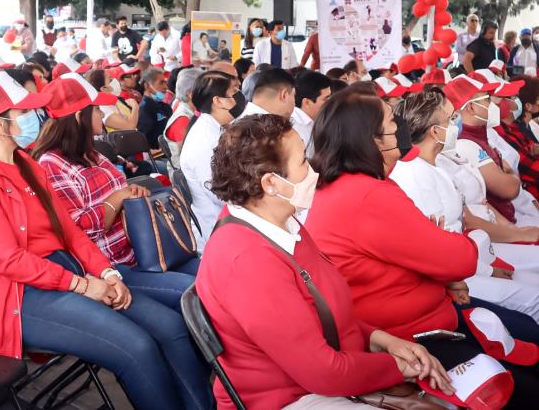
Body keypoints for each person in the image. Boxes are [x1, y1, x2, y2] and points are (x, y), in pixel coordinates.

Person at [0, 71, 211, 410]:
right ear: (0, 125)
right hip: (17, 294)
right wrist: (82, 285)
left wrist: (107, 274)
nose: (35, 118)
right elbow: (7, 260)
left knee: (171, 326)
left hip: (62, 275)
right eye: (24, 113)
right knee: (136, 347)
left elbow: (69, 232)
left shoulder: (25, 163)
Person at [198, 113, 452, 409]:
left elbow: (323, 312)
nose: (312, 168)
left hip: (323, 376)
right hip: (287, 399)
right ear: (270, 183)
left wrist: (383, 340)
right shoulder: (248, 261)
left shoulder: (281, 221)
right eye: (302, 162)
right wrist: (398, 368)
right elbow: (324, 373)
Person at [306, 89, 539, 407]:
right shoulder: (367, 195)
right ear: (372, 140)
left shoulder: (345, 185)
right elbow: (457, 258)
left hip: (427, 315)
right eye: (391, 123)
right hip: (416, 336)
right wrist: (451, 255)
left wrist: (445, 261)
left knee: (525, 332)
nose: (400, 129)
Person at [34, 75, 200, 311]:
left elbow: (120, 190)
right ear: (81, 116)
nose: (102, 115)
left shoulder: (92, 153)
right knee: (194, 291)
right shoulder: (52, 164)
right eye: (97, 110)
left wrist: (131, 192)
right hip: (113, 266)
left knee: (211, 274)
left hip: (143, 249)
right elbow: (79, 230)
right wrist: (119, 197)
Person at [392, 88, 539, 323]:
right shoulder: (415, 175)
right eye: (451, 120)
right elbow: (438, 244)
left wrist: (486, 268)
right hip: (453, 277)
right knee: (534, 299)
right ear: (435, 132)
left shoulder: (437, 162)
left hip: (470, 260)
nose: (456, 124)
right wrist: (483, 272)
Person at [180, 71, 244, 248]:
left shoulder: (218, 129)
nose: (237, 98)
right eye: (232, 93)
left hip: (232, 215)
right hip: (219, 228)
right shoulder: (204, 141)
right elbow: (221, 193)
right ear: (218, 101)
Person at [449, 75, 521, 224]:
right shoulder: (465, 143)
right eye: (487, 99)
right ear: (471, 107)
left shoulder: (481, 136)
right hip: (496, 233)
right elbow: (509, 188)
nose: (493, 105)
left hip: (505, 224)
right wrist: (513, 174)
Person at [164, 67, 201, 163]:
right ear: (190, 94)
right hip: (185, 174)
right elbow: (193, 157)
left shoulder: (196, 111)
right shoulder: (182, 120)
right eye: (204, 89)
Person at [292, 71, 331, 157]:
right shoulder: (294, 129)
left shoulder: (317, 120)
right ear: (307, 102)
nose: (330, 103)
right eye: (326, 99)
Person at [137, 68, 172, 151]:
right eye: (161, 83)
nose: (165, 87)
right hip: (160, 156)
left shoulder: (165, 106)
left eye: (165, 82)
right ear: (147, 86)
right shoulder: (145, 108)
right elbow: (143, 138)